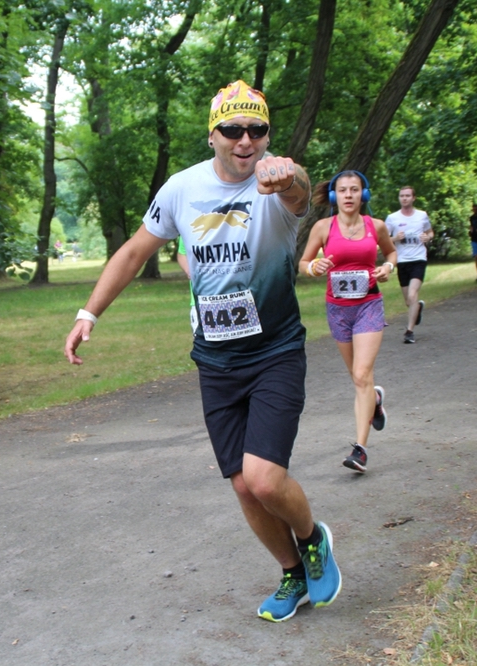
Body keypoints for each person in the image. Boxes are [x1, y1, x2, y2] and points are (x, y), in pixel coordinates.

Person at [64, 81, 341, 624]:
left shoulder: (277, 182)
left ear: (267, 136)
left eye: (256, 130)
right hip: (215, 360)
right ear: (212, 134)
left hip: (275, 351)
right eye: (232, 129)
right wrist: (88, 313)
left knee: (264, 478)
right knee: (242, 484)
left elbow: (301, 190)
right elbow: (134, 251)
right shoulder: (182, 189)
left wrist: (289, 177)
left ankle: (313, 539)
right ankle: (291, 573)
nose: (245, 140)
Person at [300, 171, 397, 472]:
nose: (349, 195)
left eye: (354, 190)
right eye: (342, 190)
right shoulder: (323, 227)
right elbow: (303, 263)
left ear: (363, 194)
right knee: (359, 379)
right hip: (338, 310)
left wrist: (388, 268)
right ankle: (374, 399)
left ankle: (360, 450)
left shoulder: (375, 226)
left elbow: (391, 253)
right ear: (334, 196)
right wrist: (315, 267)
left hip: (369, 304)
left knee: (361, 375)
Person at [384, 186, 432, 343]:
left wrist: (428, 237)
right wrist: (395, 238)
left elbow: (430, 232)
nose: (404, 198)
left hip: (419, 259)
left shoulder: (422, 215)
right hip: (402, 261)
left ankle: (409, 332)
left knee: (412, 294)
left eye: (407, 195)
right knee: (408, 301)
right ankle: (417, 307)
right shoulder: (392, 218)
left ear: (413, 198)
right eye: (401, 196)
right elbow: (383, 239)